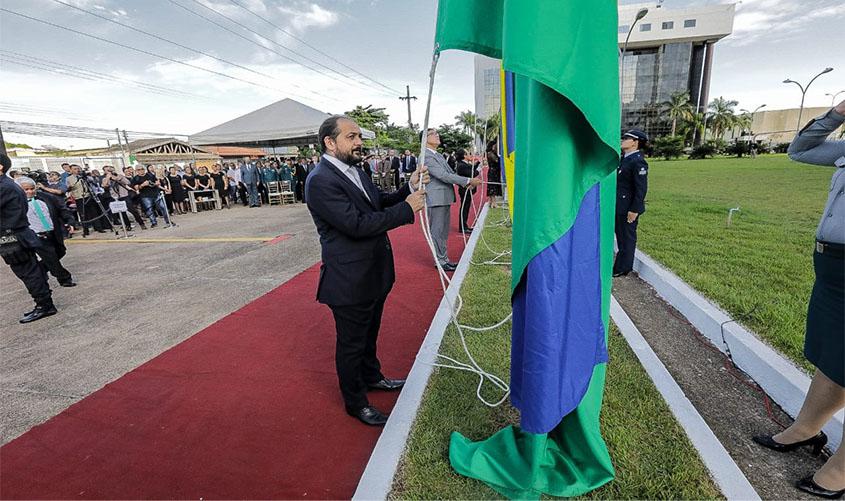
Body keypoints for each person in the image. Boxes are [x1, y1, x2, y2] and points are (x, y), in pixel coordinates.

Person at [305, 116, 429, 426]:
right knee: (351, 344)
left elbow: (376, 203)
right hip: (349, 280)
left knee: (369, 333)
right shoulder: (320, 180)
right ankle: (356, 402)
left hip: (373, 273)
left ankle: (373, 377)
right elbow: (356, 225)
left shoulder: (355, 170)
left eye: (359, 136)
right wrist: (407, 209)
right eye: (351, 137)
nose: (359, 142)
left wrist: (407, 188)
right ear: (330, 143)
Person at [753, 101, 845, 499]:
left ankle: (841, 471)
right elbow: (801, 150)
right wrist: (837, 113)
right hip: (833, 268)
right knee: (833, 356)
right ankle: (807, 429)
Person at [0, 154, 56, 323]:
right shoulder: (7, 184)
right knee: (30, 270)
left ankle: (44, 305)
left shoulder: (4, 187)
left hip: (12, 236)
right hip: (16, 234)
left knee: (28, 272)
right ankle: (44, 302)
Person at [421, 128, 482, 271]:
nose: (437, 136)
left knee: (443, 230)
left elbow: (450, 173)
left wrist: (465, 182)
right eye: (433, 134)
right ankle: (440, 261)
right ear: (425, 139)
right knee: (437, 230)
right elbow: (442, 175)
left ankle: (444, 258)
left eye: (437, 133)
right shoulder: (426, 156)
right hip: (436, 197)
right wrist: (467, 180)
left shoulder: (438, 155)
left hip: (444, 197)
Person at [15, 176, 76, 287]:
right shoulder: (15, 204)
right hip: (36, 236)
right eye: (26, 189)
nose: (30, 191)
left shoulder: (47, 197)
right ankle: (64, 278)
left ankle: (39, 271)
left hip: (53, 232)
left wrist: (70, 222)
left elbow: (62, 210)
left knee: (60, 251)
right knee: (51, 256)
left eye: (32, 188)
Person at [613, 129, 649, 278]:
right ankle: (620, 265)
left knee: (627, 238)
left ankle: (624, 267)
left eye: (627, 138)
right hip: (620, 206)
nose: (623, 139)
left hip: (628, 208)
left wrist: (634, 209)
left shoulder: (638, 161)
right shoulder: (625, 159)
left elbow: (641, 189)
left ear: (635, 142)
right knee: (621, 237)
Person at [102, 165, 146, 230]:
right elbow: (104, 186)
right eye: (107, 170)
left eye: (110, 170)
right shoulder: (105, 179)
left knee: (132, 210)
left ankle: (141, 223)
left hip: (124, 196)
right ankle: (127, 225)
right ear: (105, 171)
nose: (109, 171)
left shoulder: (119, 176)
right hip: (116, 198)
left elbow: (128, 182)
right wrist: (108, 178)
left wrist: (115, 178)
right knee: (122, 213)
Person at [454, 149, 477, 234]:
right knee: (464, 207)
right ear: (464, 156)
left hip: (468, 189)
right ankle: (463, 227)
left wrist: (477, 164)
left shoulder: (465, 164)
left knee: (466, 207)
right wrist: (477, 167)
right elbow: (473, 173)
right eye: (468, 153)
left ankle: (465, 225)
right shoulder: (461, 165)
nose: (470, 155)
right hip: (465, 189)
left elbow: (473, 170)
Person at [485, 141, 502, 207]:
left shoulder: (492, 153)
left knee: (493, 186)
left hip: (495, 171)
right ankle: (493, 202)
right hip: (493, 172)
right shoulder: (490, 153)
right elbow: (497, 160)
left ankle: (491, 201)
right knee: (492, 187)